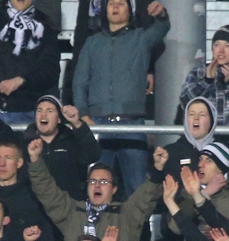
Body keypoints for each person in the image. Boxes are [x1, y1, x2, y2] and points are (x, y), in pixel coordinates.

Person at [28, 140, 167, 241]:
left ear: (114, 189)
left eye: (104, 182)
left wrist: (157, 169)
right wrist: (36, 160)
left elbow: (146, 196)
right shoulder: (73, 212)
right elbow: (47, 191)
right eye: (92, 181)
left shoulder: (126, 214)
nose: (97, 185)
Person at [73, 0, 170, 198]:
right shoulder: (92, 43)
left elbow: (162, 27)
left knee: (138, 191)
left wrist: (161, 14)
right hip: (98, 125)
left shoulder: (141, 39)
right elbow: (79, 82)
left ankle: (142, 230)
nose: (115, 7)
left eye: (121, 3)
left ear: (130, 10)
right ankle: (96, 229)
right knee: (97, 190)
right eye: (111, 4)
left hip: (132, 125)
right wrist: (83, 114)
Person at [0, 79, 101, 200]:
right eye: (39, 110)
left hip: (66, 210)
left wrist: (77, 124)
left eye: (49, 111)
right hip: (33, 212)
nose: (43, 115)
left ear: (58, 119)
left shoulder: (71, 142)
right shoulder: (23, 142)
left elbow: (93, 154)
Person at [0, 0, 60, 182]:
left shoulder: (46, 26)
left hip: (28, 115)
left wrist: (22, 81)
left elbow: (51, 70)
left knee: (28, 181)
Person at [178, 25, 229, 122]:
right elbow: (185, 103)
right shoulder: (198, 72)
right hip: (207, 136)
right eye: (217, 45)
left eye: (227, 46)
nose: (221, 51)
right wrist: (206, 81)